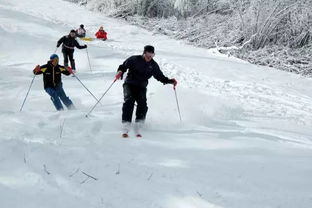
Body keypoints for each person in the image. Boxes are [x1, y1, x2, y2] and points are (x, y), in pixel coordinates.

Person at [115, 45, 177, 137]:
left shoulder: (153, 65)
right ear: (144, 53)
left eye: (152, 54)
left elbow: (160, 76)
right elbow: (123, 66)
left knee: (143, 103)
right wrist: (120, 72)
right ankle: (126, 123)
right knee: (129, 100)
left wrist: (170, 81)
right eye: (148, 53)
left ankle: (139, 123)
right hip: (130, 84)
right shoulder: (134, 59)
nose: (150, 56)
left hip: (141, 87)